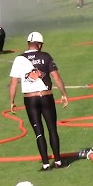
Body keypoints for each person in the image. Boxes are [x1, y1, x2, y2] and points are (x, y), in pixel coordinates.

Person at [8, 31, 69, 171]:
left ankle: (45, 164)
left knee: (38, 132)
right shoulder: (45, 56)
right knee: (52, 129)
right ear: (39, 44)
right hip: (46, 96)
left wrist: (12, 101)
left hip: (30, 99)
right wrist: (64, 94)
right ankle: (58, 161)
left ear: (28, 43)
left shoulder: (19, 59)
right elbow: (56, 76)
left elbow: (13, 83)